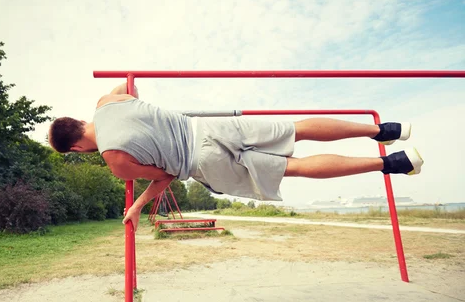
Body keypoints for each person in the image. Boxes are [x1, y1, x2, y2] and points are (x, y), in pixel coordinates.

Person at [48, 83, 423, 231]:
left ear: (77, 148)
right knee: (297, 129)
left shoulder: (114, 160)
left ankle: (393, 164)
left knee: (295, 168)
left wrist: (138, 205)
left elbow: (165, 176)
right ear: (80, 120)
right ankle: (384, 130)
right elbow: (127, 86)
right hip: (210, 128)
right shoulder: (106, 103)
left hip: (203, 162)